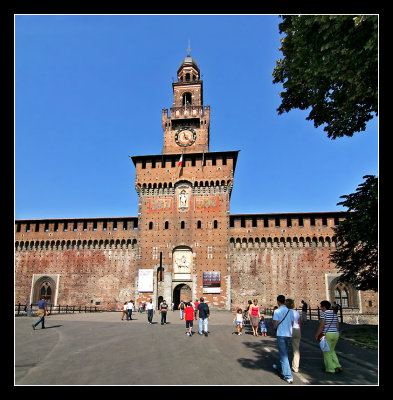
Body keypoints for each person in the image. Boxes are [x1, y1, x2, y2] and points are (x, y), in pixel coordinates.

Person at [273, 295, 295, 384]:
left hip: (281, 334)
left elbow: (275, 324)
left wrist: (275, 327)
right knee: (284, 351)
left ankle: (288, 376)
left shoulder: (277, 311)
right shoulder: (290, 311)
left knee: (284, 354)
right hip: (288, 334)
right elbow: (293, 323)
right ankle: (278, 366)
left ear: (278, 301)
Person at [315, 300, 342, 374]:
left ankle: (330, 369)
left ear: (324, 307)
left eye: (321, 307)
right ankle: (337, 365)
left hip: (327, 334)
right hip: (336, 334)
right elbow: (338, 326)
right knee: (332, 350)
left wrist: (317, 334)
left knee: (326, 352)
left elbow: (322, 326)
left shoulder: (324, 314)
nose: (321, 308)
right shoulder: (334, 314)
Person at [286, 299, 301, 373]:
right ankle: (295, 367)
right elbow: (299, 322)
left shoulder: (287, 312)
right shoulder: (297, 312)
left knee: (284, 349)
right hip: (297, 330)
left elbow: (289, 323)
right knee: (296, 350)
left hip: (289, 330)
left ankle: (283, 366)